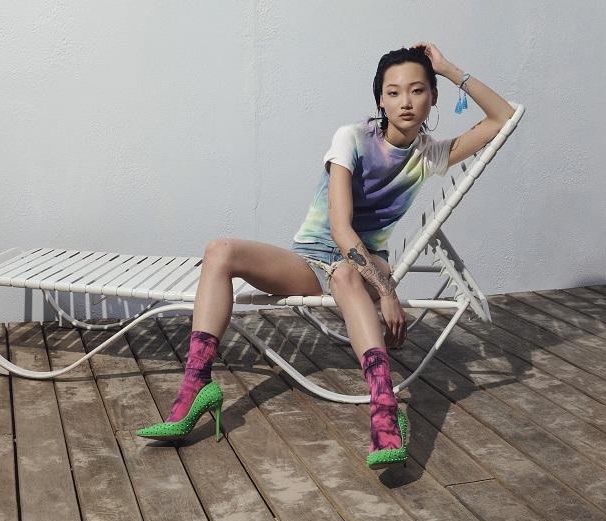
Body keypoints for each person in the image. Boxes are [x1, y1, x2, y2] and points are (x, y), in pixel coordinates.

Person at [137, 42, 514, 470]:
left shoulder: (429, 155)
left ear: (433, 96)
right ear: (380, 100)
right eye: (393, 92)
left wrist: (446, 67)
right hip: (312, 260)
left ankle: (384, 411)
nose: (405, 102)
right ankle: (195, 386)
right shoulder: (351, 138)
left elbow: (503, 117)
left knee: (347, 275)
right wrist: (387, 294)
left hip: (365, 264)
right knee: (218, 250)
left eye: (417, 90)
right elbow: (339, 227)